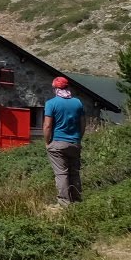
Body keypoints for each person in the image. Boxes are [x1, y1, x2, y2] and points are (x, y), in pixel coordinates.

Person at [43, 75, 86, 207]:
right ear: (68, 87)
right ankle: (77, 200)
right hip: (74, 142)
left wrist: (47, 142)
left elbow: (47, 126)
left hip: (57, 143)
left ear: (55, 88)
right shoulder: (77, 103)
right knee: (74, 172)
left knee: (61, 173)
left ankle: (64, 202)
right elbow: (83, 124)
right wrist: (78, 138)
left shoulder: (51, 103)